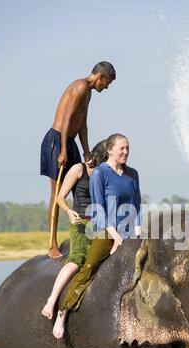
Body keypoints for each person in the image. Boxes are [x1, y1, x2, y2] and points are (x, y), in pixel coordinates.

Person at [52, 133, 141, 339]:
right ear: (110, 150)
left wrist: (137, 232)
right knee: (89, 268)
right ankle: (63, 311)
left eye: (128, 148)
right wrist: (114, 235)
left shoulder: (133, 174)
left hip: (128, 230)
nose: (126, 152)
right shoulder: (100, 173)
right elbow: (99, 208)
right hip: (104, 230)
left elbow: (137, 206)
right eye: (122, 148)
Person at [40, 61, 116, 259]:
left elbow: (82, 123)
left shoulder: (88, 92)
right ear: (100, 76)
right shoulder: (80, 86)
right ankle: (52, 245)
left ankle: (85, 236)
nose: (106, 87)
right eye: (107, 83)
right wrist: (63, 149)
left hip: (70, 141)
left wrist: (86, 151)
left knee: (81, 187)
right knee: (56, 193)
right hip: (57, 141)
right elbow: (66, 119)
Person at [41, 140, 107, 329]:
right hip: (80, 223)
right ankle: (52, 301)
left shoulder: (106, 174)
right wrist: (69, 212)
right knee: (77, 260)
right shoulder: (79, 169)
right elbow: (60, 197)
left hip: (100, 224)